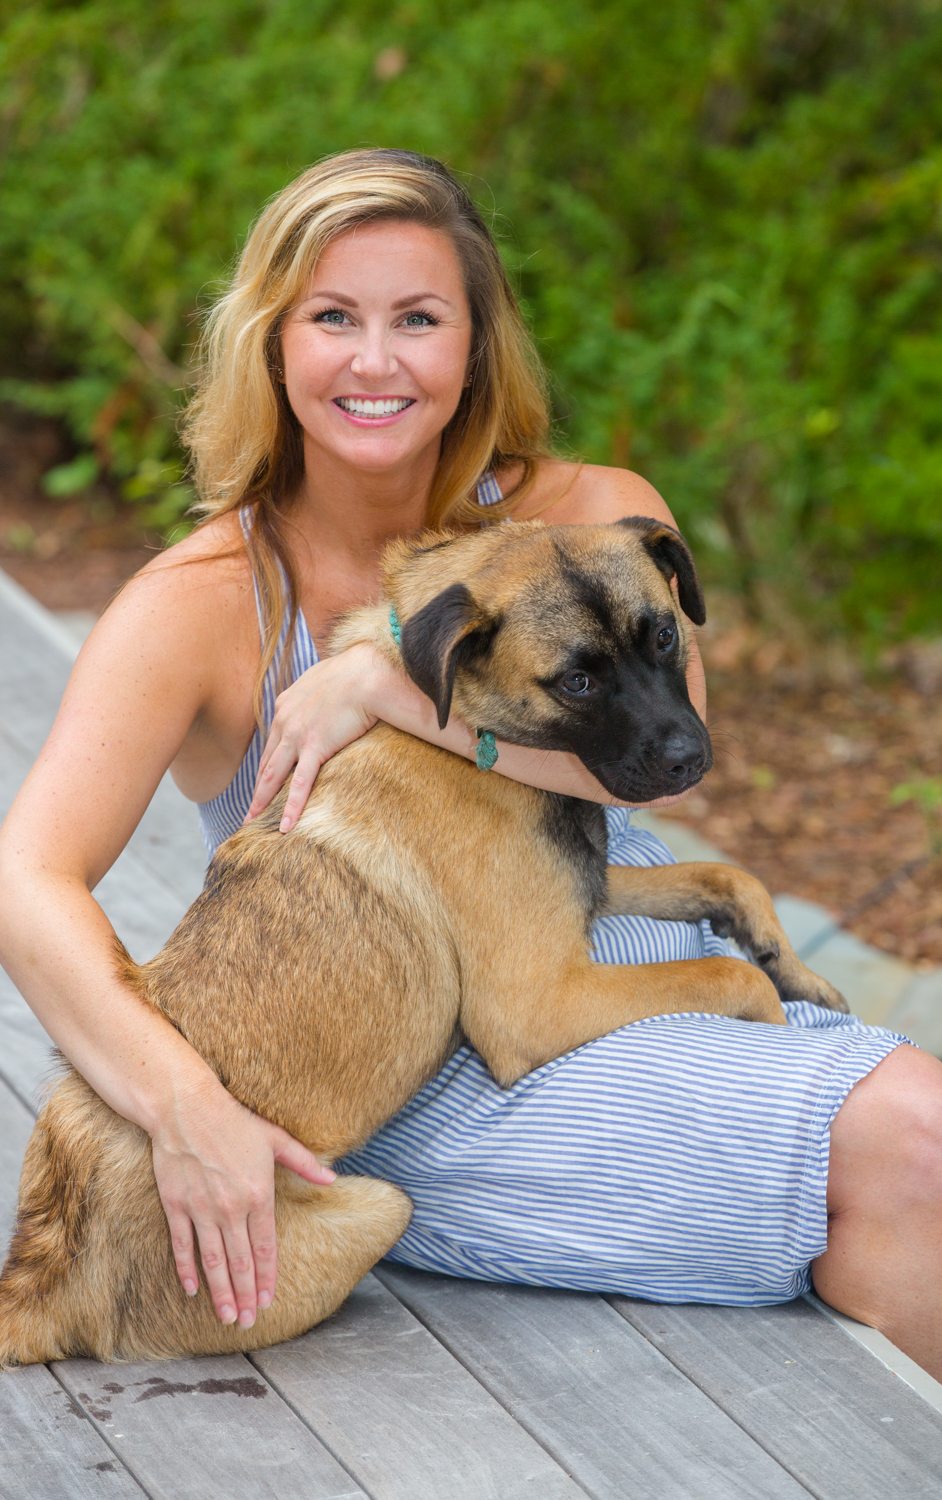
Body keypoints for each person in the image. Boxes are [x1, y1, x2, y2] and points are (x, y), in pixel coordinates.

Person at [2, 147, 941, 1377]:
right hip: (424, 1064)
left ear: (476, 345)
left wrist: (389, 688)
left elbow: (661, 762)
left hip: (625, 933)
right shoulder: (203, 603)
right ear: (271, 346)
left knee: (916, 1157)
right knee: (912, 1150)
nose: (377, 360)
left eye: (420, 318)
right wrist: (187, 1108)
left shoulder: (596, 514)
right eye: (333, 317)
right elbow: (29, 883)